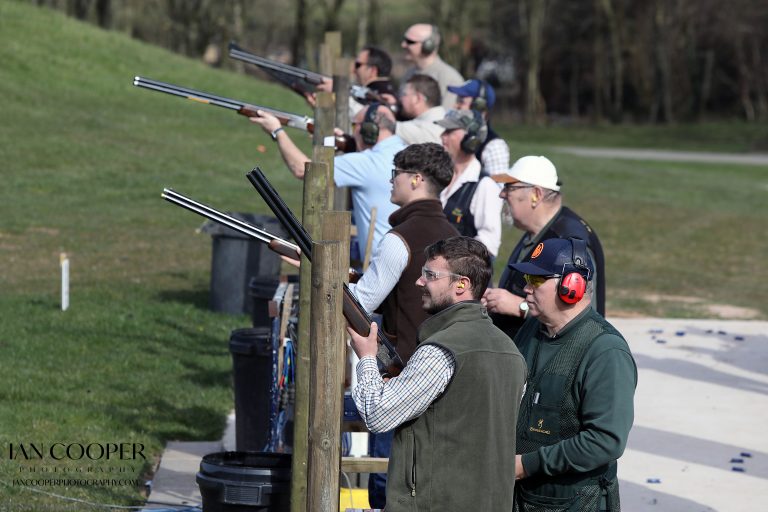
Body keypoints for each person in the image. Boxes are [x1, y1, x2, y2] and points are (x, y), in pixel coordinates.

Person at [348, 236, 527, 511]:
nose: (419, 282)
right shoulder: (511, 352)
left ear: (461, 285)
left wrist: (367, 358)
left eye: (430, 275)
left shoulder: (440, 351)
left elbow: (377, 413)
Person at [348, 142, 459, 508]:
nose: (390, 181)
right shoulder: (457, 238)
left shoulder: (399, 239)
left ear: (415, 179)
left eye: (395, 174)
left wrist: (326, 280)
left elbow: (363, 301)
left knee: (388, 484)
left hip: (401, 373)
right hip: (448, 373)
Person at [507, 237, 636, 511]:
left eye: (537, 280)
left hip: (573, 503)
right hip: (521, 497)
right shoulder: (533, 329)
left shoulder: (605, 351)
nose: (526, 288)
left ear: (571, 286)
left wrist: (526, 465)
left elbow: (605, 441)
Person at [249, 104, 404, 262]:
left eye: (354, 125)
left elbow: (305, 170)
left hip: (379, 265)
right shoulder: (406, 152)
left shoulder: (367, 162)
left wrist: (277, 131)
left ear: (368, 130)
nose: (353, 131)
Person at [483, 155, 605, 340]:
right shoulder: (535, 232)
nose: (502, 194)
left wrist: (520, 307)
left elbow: (581, 317)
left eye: (510, 187)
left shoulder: (571, 241)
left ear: (536, 195)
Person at [435, 109, 503, 257]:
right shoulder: (440, 177)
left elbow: (489, 243)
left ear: (471, 139)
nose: (442, 136)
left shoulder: (485, 185)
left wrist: (454, 260)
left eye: (449, 131)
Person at [448, 78, 510, 175]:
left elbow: (498, 187)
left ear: (478, 107)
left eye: (461, 101)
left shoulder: (494, 146)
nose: (455, 106)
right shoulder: (452, 136)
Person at [401, 23, 464, 109]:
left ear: (428, 46)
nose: (403, 45)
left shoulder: (449, 78)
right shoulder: (409, 73)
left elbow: (446, 117)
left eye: (410, 42)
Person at [395, 74, 446, 145]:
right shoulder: (441, 117)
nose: (400, 99)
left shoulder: (430, 127)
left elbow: (393, 127)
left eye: (404, 94)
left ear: (418, 99)